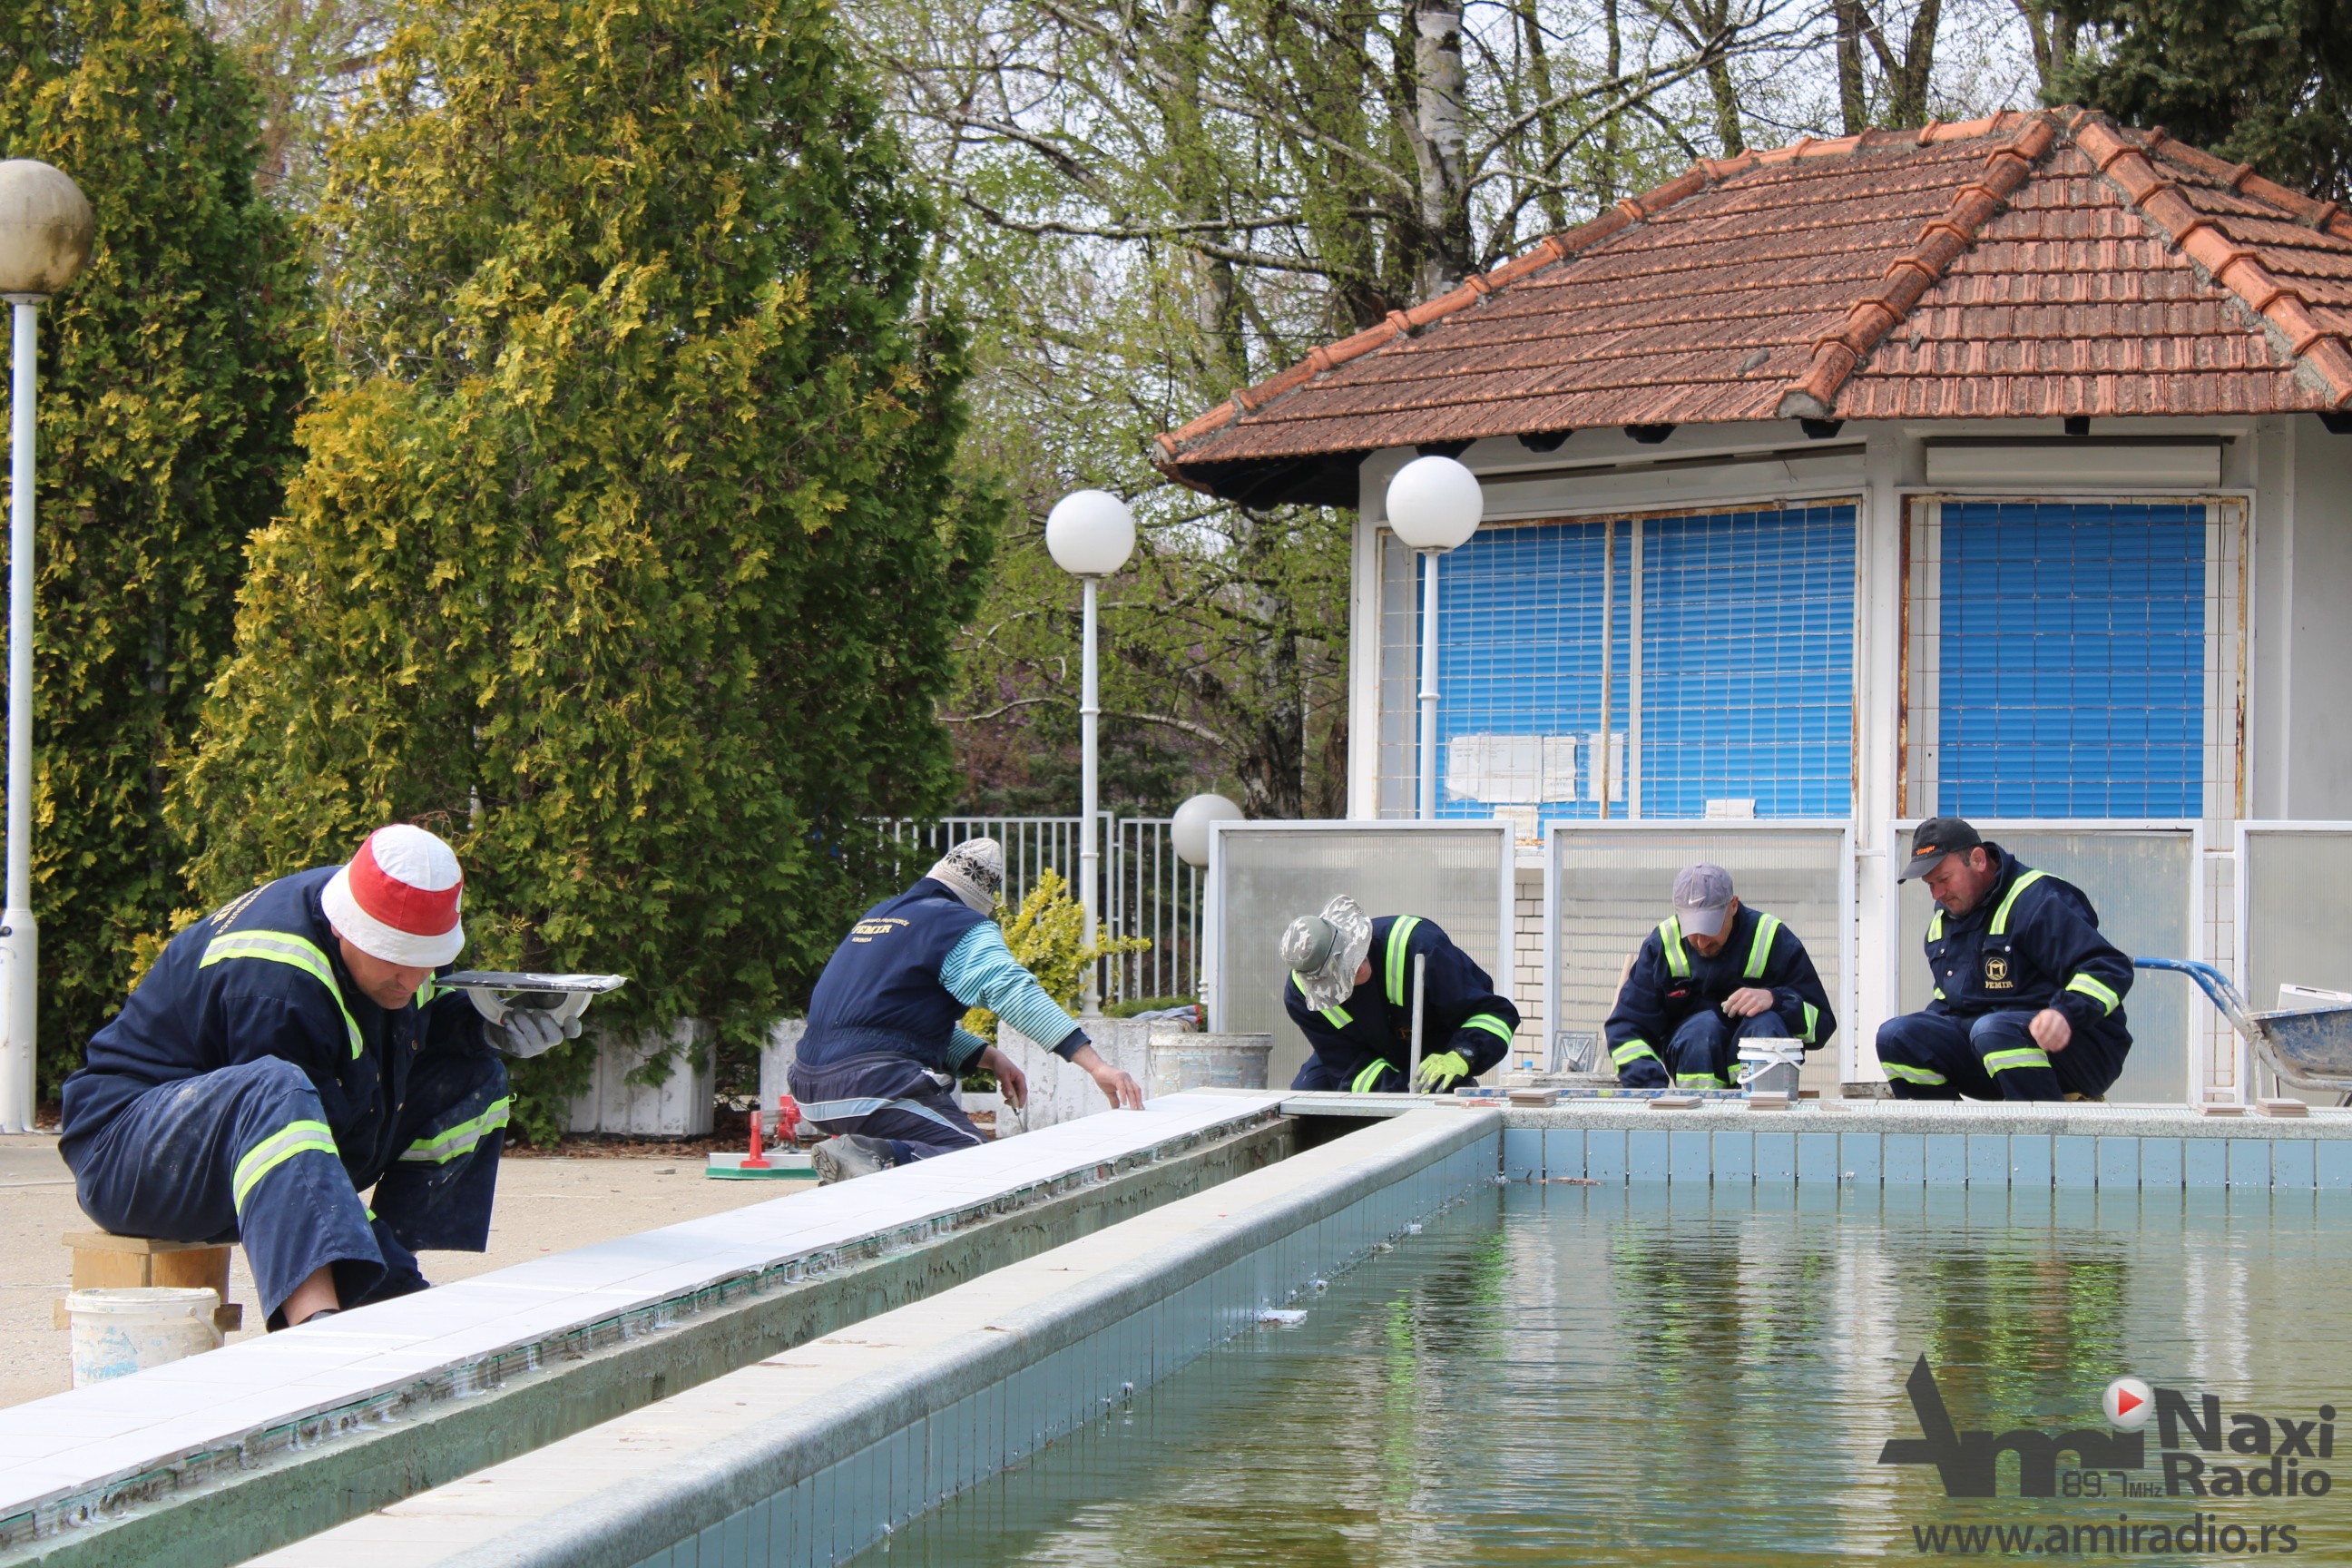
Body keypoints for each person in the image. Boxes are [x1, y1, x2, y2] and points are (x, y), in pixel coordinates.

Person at [59, 825, 561, 1329]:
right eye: (395, 959)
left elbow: (421, 1023)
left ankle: (383, 1272)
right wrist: (405, 1299)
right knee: (277, 1090)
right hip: (130, 1155)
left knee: (475, 1077)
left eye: (425, 961)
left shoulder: (389, 921)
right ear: (347, 928)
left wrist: (488, 1027)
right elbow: (293, 1148)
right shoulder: (277, 984)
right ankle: (316, 1326)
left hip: (246, 1145)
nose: (411, 980)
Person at [790, 838, 1142, 1182]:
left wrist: (992, 1058)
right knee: (972, 1161)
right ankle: (878, 1158)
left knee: (907, 1166)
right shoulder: (956, 924)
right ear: (981, 903)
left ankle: (866, 1169)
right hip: (871, 1085)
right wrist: (1096, 1066)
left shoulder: (881, 915)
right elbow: (1011, 989)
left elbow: (882, 1026)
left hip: (810, 1087)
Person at [1875, 817, 2133, 1102]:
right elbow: (1950, 1003)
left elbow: (2107, 967)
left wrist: (2065, 1014)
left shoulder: (2038, 899)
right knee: (1896, 1037)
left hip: (2078, 1044)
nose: (1938, 894)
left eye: (1944, 879)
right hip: (1990, 1042)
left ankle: (2044, 1128)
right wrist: (1925, 1038)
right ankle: (1948, 1131)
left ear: (1978, 860)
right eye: (1930, 884)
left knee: (1993, 1030)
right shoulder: (1944, 922)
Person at [1604, 863, 1837, 1090]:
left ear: (1733, 905)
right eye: (1692, 930)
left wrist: (1776, 1000)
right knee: (1700, 1032)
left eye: (1710, 928)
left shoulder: (1772, 938)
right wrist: (1651, 1090)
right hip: (1694, 1101)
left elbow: (1822, 1026)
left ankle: (1767, 1108)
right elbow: (1627, 1029)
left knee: (1766, 1024)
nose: (1702, 942)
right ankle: (1701, 1113)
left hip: (1764, 1103)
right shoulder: (1663, 946)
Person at [1279, 895, 1517, 1093]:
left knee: (1441, 1093)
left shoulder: (1419, 945)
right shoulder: (1302, 997)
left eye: (1353, 954)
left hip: (1437, 1056)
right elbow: (1350, 1066)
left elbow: (1494, 1014)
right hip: (1365, 1059)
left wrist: (1463, 1054)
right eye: (1344, 971)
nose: (1358, 967)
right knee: (1307, 1093)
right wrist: (1402, 1095)